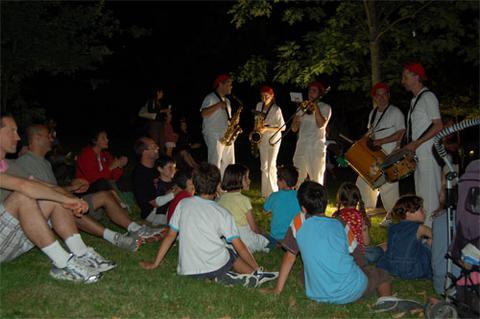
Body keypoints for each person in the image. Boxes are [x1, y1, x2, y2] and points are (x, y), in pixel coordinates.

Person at [16, 124, 163, 251]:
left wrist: (72, 187)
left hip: (64, 198)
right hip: (45, 210)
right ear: (36, 138)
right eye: (49, 136)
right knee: (71, 203)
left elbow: (52, 188)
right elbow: (41, 194)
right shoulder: (25, 162)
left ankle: (135, 229)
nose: (52, 139)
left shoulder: (45, 163)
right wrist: (71, 190)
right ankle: (114, 237)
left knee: (105, 195)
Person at [0, 115, 111, 283]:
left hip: (14, 239)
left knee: (53, 199)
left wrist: (69, 198)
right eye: (12, 131)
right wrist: (67, 200)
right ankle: (63, 263)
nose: (17, 137)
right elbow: (24, 187)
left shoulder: (11, 165)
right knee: (22, 196)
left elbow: (45, 186)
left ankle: (81, 253)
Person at [139, 163, 278, 288]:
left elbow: (170, 235)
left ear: (194, 183)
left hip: (188, 270)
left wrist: (155, 263)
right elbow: (240, 246)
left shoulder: (183, 205)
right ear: (218, 185)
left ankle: (228, 277)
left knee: (226, 253)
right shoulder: (222, 212)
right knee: (231, 254)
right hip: (215, 265)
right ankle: (255, 274)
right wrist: (255, 266)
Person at [264, 181, 394, 308]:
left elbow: (290, 256)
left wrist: (277, 289)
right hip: (351, 290)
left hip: (317, 294)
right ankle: (386, 300)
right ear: (326, 203)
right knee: (381, 274)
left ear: (303, 208)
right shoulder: (340, 224)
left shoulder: (298, 221)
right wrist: (362, 270)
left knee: (305, 273)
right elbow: (358, 256)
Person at [355, 82, 405, 226]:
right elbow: (371, 133)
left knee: (389, 187)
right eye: (378, 95)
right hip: (375, 156)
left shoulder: (395, 112)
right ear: (374, 98)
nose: (382, 98)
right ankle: (366, 211)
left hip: (389, 155)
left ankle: (393, 216)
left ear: (389, 96)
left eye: (384, 94)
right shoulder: (373, 113)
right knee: (363, 180)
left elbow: (401, 132)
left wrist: (382, 141)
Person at [402, 62, 443, 227]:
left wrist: (416, 143)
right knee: (422, 197)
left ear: (416, 77)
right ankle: (425, 234)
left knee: (430, 198)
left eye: (405, 77)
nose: (402, 81)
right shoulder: (414, 101)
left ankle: (433, 238)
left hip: (428, 154)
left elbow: (438, 125)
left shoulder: (428, 97)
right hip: (418, 155)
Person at [377, 195, 433, 279]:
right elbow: (436, 235)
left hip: (391, 267)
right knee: (430, 242)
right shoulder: (420, 228)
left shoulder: (392, 227)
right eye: (421, 209)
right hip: (411, 269)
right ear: (408, 213)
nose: (424, 211)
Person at [217, 164, 270, 253]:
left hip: (228, 240)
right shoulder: (244, 200)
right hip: (244, 239)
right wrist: (262, 233)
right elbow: (253, 228)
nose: (249, 180)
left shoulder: (220, 199)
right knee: (271, 240)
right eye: (246, 178)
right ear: (237, 180)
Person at [333, 182, 383, 265]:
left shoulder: (336, 216)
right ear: (358, 199)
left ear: (341, 199)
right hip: (359, 256)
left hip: (342, 255)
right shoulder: (361, 216)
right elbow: (366, 243)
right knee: (377, 251)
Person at [292, 81, 331, 185]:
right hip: (301, 146)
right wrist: (297, 114)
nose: (311, 93)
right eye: (310, 90)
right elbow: (294, 129)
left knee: (316, 179)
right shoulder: (302, 107)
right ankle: (297, 200)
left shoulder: (325, 107)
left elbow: (321, 124)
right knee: (297, 179)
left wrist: (315, 106)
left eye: (314, 91)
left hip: (316, 148)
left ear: (319, 94)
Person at [132, 138, 175, 226]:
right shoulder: (140, 174)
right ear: (145, 151)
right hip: (153, 213)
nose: (158, 147)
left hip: (167, 205)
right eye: (154, 146)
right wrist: (175, 192)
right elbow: (154, 203)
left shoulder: (157, 167)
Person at [200, 74, 235, 175]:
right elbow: (204, 113)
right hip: (214, 134)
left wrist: (233, 123)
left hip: (226, 134)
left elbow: (225, 118)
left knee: (229, 162)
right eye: (229, 84)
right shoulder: (210, 97)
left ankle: (227, 187)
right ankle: (213, 188)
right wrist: (218, 105)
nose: (231, 87)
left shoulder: (227, 101)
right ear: (221, 84)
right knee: (214, 163)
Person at [254, 86, 285, 198]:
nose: (264, 98)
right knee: (264, 166)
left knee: (271, 165)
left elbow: (283, 127)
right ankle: (265, 193)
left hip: (274, 138)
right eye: (262, 95)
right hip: (262, 137)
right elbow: (256, 121)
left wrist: (267, 128)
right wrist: (255, 133)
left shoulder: (276, 109)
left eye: (266, 96)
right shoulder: (258, 105)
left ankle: (273, 193)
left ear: (272, 96)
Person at [263, 165, 301, 244]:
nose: (276, 181)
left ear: (283, 182)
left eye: (278, 179)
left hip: (276, 237)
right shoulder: (300, 196)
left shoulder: (274, 196)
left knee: (263, 235)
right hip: (295, 238)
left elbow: (264, 210)